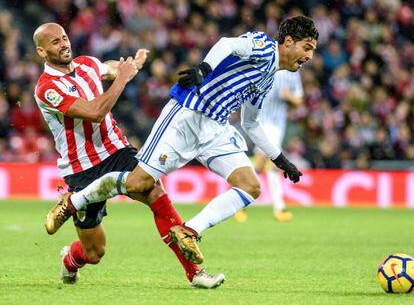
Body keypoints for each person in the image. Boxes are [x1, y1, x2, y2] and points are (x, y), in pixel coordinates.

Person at [46, 16, 318, 265]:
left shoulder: (269, 77)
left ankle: (189, 231)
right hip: (187, 115)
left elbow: (250, 123)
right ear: (288, 42)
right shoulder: (263, 46)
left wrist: (280, 160)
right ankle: (77, 199)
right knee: (138, 183)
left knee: (251, 187)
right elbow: (228, 43)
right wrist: (204, 68)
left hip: (216, 128)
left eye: (313, 50)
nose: (309, 55)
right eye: (307, 47)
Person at [33, 23, 224, 289]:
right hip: (82, 168)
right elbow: (94, 111)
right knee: (94, 253)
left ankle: (195, 273)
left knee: (155, 192)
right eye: (55, 42)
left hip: (117, 150)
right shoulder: (47, 88)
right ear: (42, 51)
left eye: (64, 38)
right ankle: (70, 260)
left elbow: (109, 68)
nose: (64, 44)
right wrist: (123, 78)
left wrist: (131, 64)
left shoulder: (87, 64)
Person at [234, 70, 304, 223]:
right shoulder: (266, 63)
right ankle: (278, 207)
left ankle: (240, 202)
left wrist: (289, 97)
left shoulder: (293, 72)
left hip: (278, 124)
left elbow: (299, 100)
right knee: (266, 161)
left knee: (266, 164)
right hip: (259, 121)